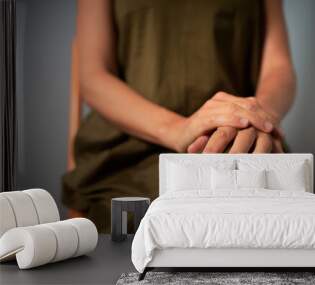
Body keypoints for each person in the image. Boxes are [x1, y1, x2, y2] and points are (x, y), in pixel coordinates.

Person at [62, 0, 296, 233]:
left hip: (236, 140)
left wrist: (259, 117)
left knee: (274, 221)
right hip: (127, 152)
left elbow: (278, 67)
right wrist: (178, 129)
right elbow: (93, 76)